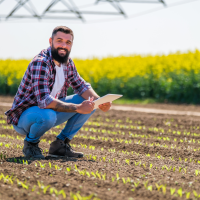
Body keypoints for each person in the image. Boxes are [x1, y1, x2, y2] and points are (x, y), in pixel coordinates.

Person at [5, 26, 111, 159]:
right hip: (25, 118)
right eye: (59, 41)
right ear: (50, 41)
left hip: (49, 112)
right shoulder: (41, 62)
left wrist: (100, 102)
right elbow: (44, 101)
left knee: (90, 103)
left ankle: (60, 145)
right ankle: (30, 144)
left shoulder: (68, 63)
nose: (63, 45)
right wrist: (78, 108)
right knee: (48, 115)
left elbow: (82, 86)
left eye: (68, 42)